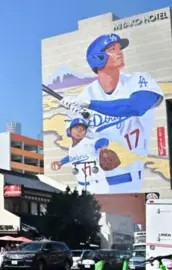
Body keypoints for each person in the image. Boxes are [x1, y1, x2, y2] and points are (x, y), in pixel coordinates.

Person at [61, 33, 164, 193]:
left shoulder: (139, 80)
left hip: (132, 180)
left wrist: (89, 105)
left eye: (119, 48)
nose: (119, 52)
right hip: (95, 182)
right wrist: (75, 118)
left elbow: (135, 106)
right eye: (112, 49)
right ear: (97, 58)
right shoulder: (83, 96)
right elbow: (77, 142)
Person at [51, 116, 110, 194]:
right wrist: (61, 162)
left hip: (97, 185)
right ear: (69, 131)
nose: (80, 131)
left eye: (83, 129)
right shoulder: (72, 148)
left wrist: (103, 148)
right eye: (76, 128)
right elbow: (71, 156)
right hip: (81, 186)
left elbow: (103, 140)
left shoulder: (87, 143)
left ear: (85, 133)